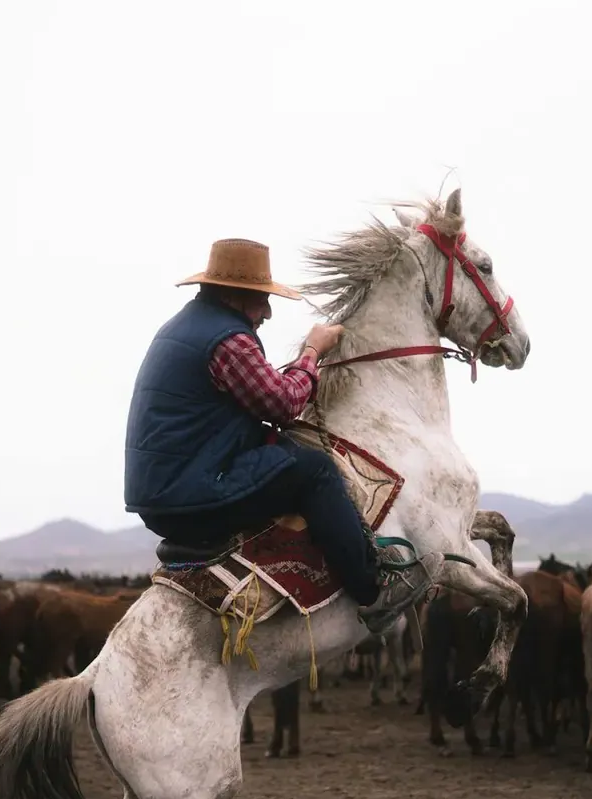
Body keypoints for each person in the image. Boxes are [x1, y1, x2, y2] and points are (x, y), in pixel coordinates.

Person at [123, 237, 440, 632]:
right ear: (235, 297)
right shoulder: (229, 341)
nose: (268, 313)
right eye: (261, 299)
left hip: (167, 489)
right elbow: (285, 405)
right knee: (316, 471)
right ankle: (372, 590)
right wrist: (311, 352)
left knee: (287, 457)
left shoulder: (187, 327)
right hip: (192, 493)